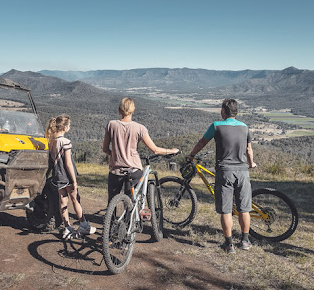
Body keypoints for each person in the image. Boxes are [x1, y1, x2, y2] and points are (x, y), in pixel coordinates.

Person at [187, 98, 256, 254]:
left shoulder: (216, 126)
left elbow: (201, 142)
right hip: (243, 172)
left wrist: (191, 155)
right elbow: (249, 150)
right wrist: (251, 164)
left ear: (224, 111)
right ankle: (245, 241)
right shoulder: (245, 127)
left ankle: (229, 244)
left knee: (226, 210)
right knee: (244, 208)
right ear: (236, 111)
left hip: (225, 172)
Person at [102, 97, 179, 203]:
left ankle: (111, 219)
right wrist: (171, 151)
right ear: (133, 110)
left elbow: (105, 149)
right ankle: (129, 218)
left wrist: (115, 155)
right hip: (134, 170)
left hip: (116, 170)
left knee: (112, 201)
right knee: (130, 201)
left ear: (120, 110)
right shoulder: (140, 128)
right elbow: (155, 150)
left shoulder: (111, 125)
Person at [46, 115, 96, 239]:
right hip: (66, 176)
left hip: (57, 176)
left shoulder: (51, 141)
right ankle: (84, 224)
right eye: (69, 125)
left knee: (63, 201)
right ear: (65, 127)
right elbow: (68, 163)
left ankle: (67, 227)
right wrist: (74, 181)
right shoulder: (65, 142)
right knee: (75, 199)